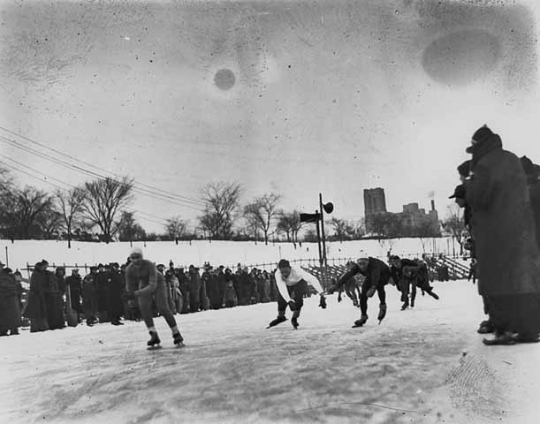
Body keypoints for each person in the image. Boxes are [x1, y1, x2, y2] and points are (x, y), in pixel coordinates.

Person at [464, 125, 540, 345]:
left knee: (498, 281)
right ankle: (527, 330)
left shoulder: (485, 165)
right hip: (520, 230)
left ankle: (505, 330)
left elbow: (479, 198)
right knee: (521, 281)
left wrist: (469, 182)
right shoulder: (511, 159)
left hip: (496, 233)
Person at [125, 247, 184, 348]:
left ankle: (176, 333)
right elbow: (129, 286)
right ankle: (153, 334)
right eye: (133, 258)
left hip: (158, 281)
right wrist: (130, 297)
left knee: (163, 307)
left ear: (142, 257)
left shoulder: (149, 265)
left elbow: (152, 286)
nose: (135, 261)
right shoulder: (129, 269)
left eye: (137, 257)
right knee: (143, 307)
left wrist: (136, 293)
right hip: (144, 282)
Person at [329, 257, 390, 327]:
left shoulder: (374, 266)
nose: (362, 266)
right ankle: (363, 316)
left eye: (364, 263)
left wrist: (373, 287)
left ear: (368, 262)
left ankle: (383, 306)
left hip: (384, 274)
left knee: (379, 285)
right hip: (370, 276)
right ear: (357, 264)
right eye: (360, 264)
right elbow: (348, 275)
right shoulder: (357, 267)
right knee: (363, 296)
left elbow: (375, 277)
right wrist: (337, 285)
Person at [267, 259, 326, 330]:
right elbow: (281, 287)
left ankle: (294, 318)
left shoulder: (297, 270)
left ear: (290, 268)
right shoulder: (278, 273)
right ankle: (281, 317)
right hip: (287, 284)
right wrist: (289, 301)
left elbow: (312, 279)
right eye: (282, 272)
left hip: (299, 282)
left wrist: (322, 294)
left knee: (298, 299)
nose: (284, 274)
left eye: (286, 271)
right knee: (281, 299)